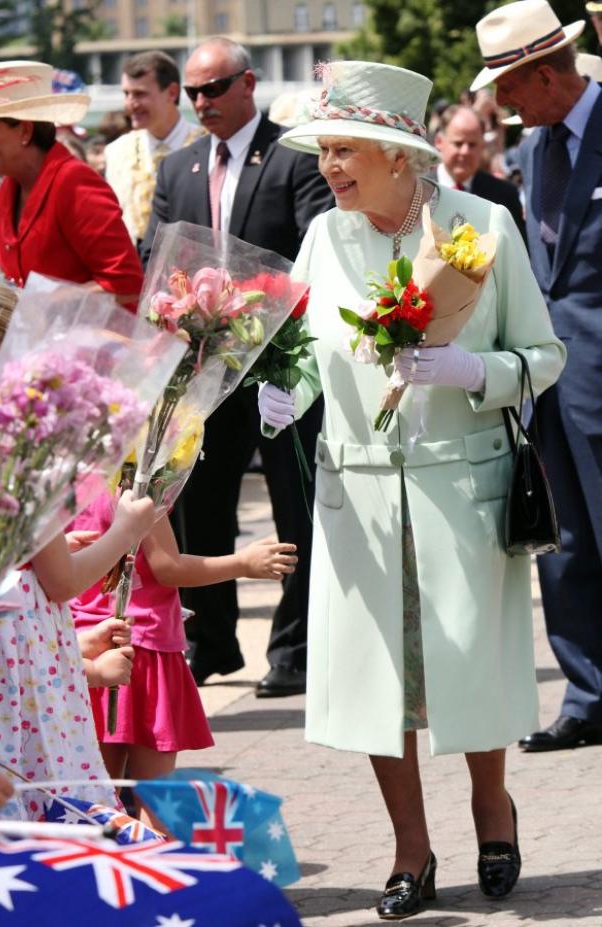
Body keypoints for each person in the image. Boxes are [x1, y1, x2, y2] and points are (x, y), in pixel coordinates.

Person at [259, 59, 565, 918]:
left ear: (398, 153)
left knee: (467, 670)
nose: (328, 167)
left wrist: (474, 369)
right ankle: (411, 851)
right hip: (354, 495)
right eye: (323, 152)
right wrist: (283, 394)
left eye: (344, 150)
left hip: (458, 492)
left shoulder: (484, 224)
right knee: (375, 683)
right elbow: (303, 353)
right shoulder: (325, 236)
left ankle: (492, 809)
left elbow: (544, 358)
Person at [142, 37, 333, 697]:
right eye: (193, 92)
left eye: (214, 88)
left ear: (248, 83)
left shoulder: (294, 154)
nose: (201, 103)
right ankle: (213, 639)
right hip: (203, 370)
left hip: (279, 365)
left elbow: (313, 251)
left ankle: (295, 649)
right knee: (201, 502)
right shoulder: (180, 167)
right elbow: (158, 254)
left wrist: (257, 310)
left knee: (293, 506)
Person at [473, 0, 602, 752]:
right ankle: (587, 695)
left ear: (546, 75)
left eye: (509, 88)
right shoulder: (532, 151)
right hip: (543, 379)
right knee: (565, 544)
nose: (503, 104)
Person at [0, 277, 156, 819]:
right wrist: (124, 533)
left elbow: (26, 562)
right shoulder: (19, 446)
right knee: (42, 810)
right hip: (19, 682)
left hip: (8, 664)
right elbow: (62, 580)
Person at [69, 492, 296, 825]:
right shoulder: (139, 487)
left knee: (95, 799)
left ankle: (99, 874)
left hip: (86, 649)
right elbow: (168, 567)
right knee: (155, 797)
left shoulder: (68, 486)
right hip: (143, 650)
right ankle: (150, 872)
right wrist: (243, 563)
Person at [0, 60, 143, 307]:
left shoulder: (73, 182)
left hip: (96, 342)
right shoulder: (8, 187)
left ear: (25, 131)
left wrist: (43, 302)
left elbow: (127, 283)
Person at [105, 51, 204, 249]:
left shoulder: (208, 144)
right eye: (126, 93)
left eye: (139, 94)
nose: (130, 104)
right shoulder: (116, 152)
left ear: (172, 92)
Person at [432, 105, 527, 241]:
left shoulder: (504, 196)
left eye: (472, 145)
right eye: (458, 144)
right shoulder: (417, 190)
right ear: (439, 142)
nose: (465, 152)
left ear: (483, 145)